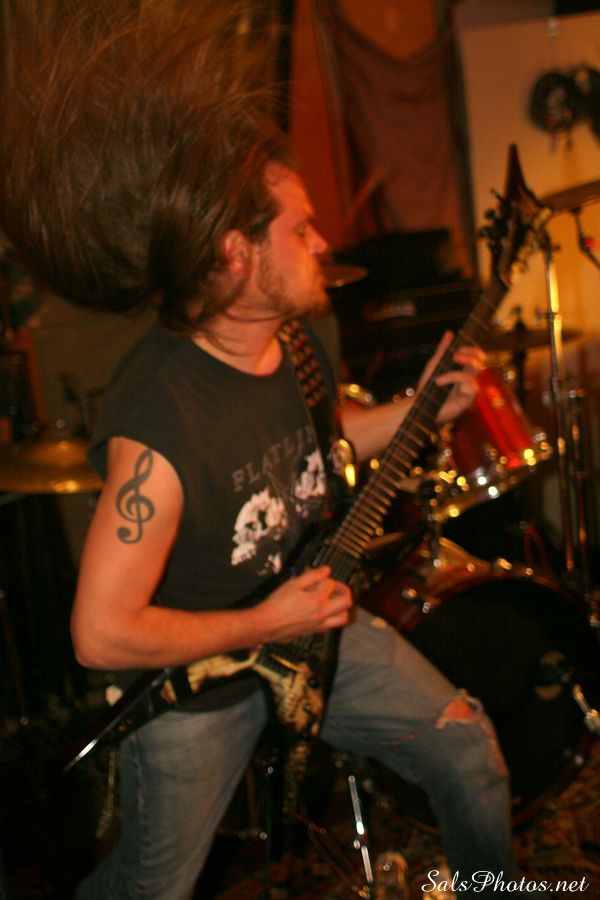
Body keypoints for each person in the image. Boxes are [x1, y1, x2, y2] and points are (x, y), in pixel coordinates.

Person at [0, 3, 514, 897]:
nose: (323, 243)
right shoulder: (162, 424)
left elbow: (314, 436)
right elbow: (99, 632)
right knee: (151, 887)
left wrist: (422, 404)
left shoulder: (290, 343)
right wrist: (262, 623)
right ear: (237, 255)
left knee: (468, 749)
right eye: (301, 230)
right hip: (200, 683)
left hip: (309, 630)